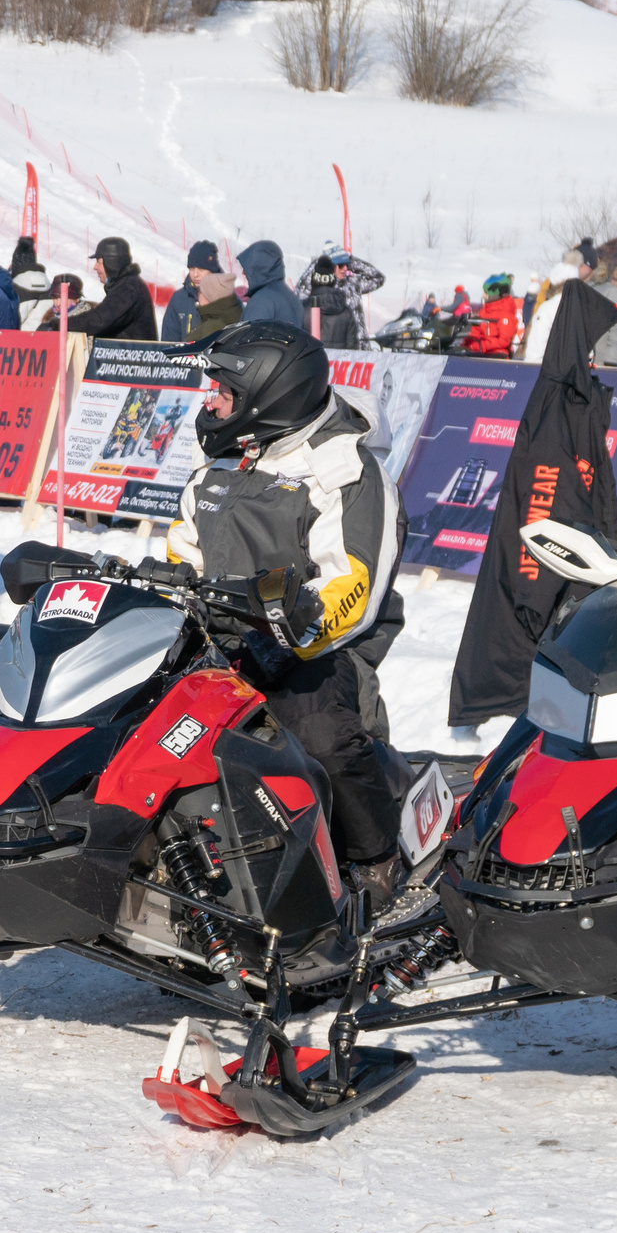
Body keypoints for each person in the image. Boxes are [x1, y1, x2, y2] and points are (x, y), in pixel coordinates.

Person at [166, 321, 407, 896]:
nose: (212, 402)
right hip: (221, 643)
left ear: (267, 394)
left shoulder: (345, 470)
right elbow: (185, 546)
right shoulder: (226, 460)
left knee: (319, 734)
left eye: (224, 391)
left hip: (318, 650)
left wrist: (291, 627)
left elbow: (355, 582)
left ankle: (377, 862)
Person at [65, 237, 158, 341]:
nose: (95, 267)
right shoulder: (124, 285)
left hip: (132, 355)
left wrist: (61, 325)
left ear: (111, 262)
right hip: (122, 354)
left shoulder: (128, 288)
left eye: (99, 262)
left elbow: (99, 319)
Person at [301, 248, 385, 349]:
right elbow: (299, 291)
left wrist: (352, 262)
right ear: (331, 267)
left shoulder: (353, 284)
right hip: (339, 349)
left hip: (361, 346)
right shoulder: (314, 288)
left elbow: (378, 278)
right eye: (341, 265)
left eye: (347, 265)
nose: (345, 268)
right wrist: (318, 263)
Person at [237, 241, 307, 331]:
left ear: (259, 267)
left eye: (249, 268)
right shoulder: (290, 296)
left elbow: (250, 339)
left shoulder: (262, 299)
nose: (243, 272)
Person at [462, 274, 522, 357]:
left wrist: (481, 345)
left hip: (497, 354)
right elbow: (476, 332)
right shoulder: (484, 311)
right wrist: (467, 343)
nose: (483, 295)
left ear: (496, 294)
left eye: (486, 293)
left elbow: (504, 341)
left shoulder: (506, 314)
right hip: (481, 352)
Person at [185, 256, 243, 341]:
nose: (198, 295)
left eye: (201, 292)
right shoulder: (229, 316)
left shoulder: (213, 326)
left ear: (209, 296)